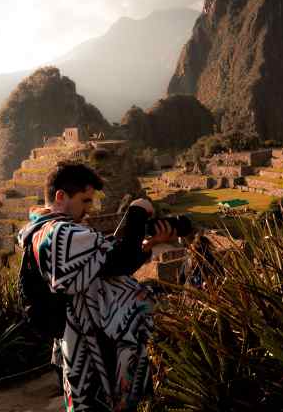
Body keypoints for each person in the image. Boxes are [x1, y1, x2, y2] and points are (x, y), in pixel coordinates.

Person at [17, 160, 175, 412]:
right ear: (61, 196)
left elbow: (106, 267)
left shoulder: (52, 232)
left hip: (82, 344)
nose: (89, 210)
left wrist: (147, 244)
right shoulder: (55, 233)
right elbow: (117, 259)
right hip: (86, 348)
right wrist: (138, 211)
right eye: (85, 201)